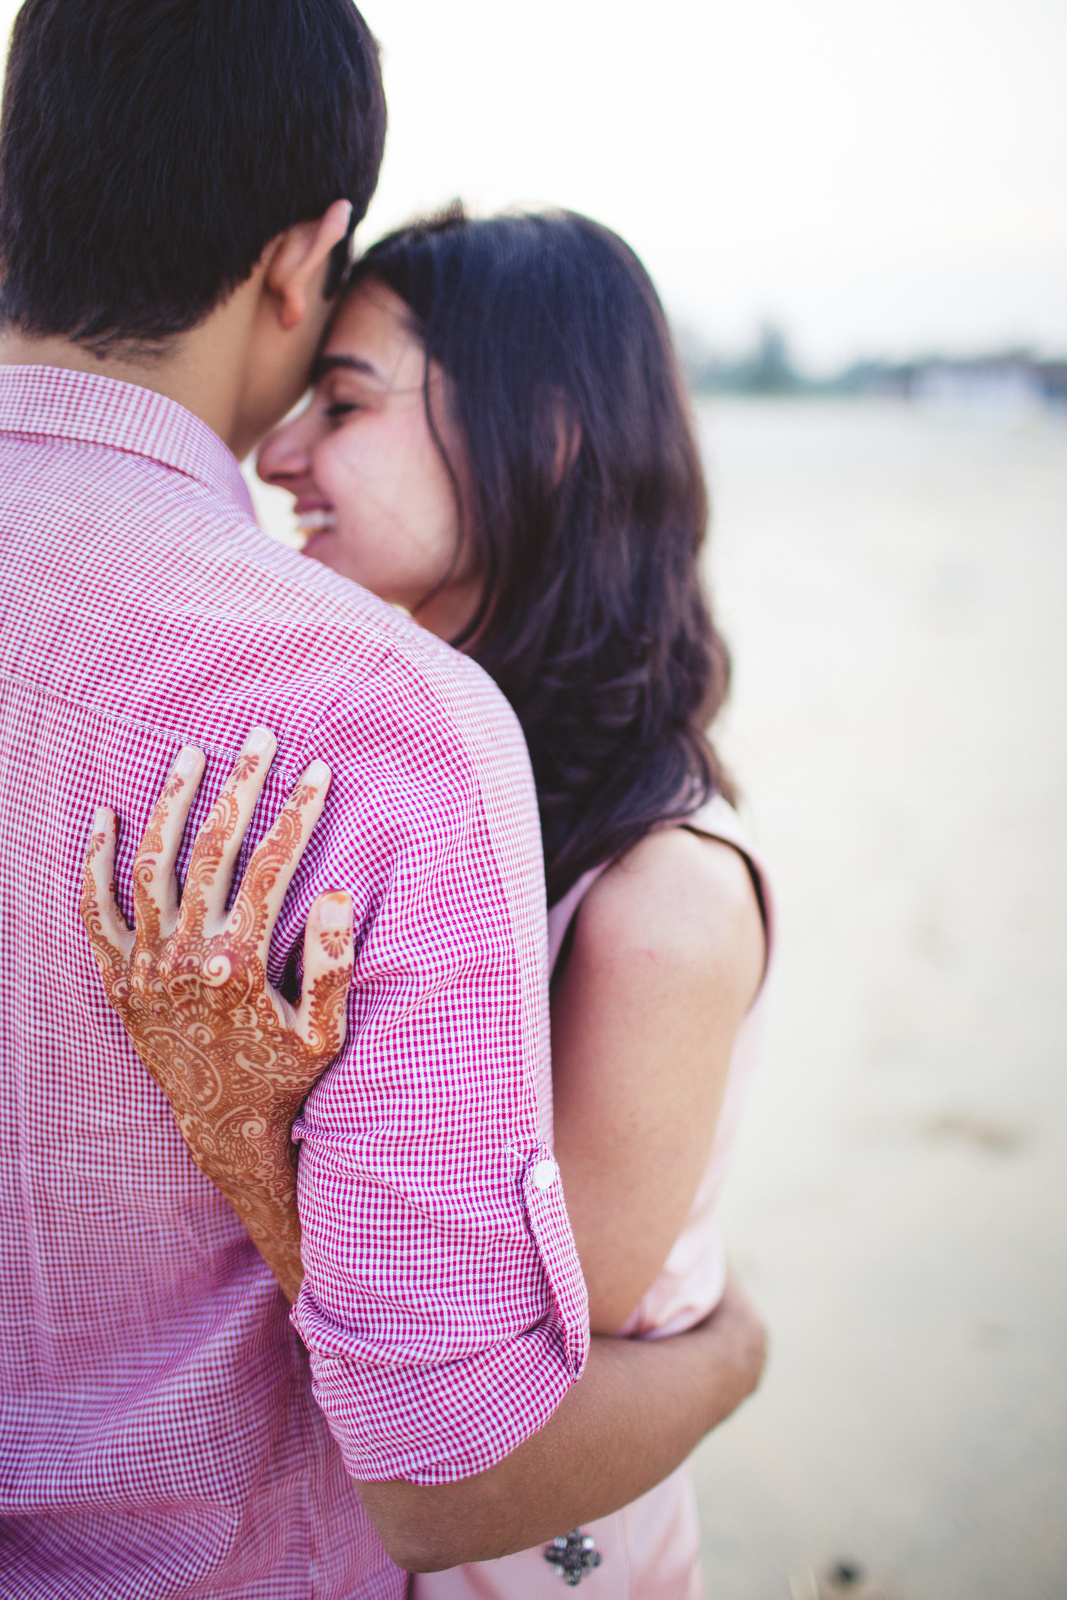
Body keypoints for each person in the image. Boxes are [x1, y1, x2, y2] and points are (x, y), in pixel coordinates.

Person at [0, 5, 764, 1598]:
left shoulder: (657, 899)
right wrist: (734, 1361)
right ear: (296, 257)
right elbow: (457, 1435)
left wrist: (256, 1127)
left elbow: (507, 1432)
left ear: (543, 436)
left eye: (346, 405)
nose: (280, 451)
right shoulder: (392, 743)